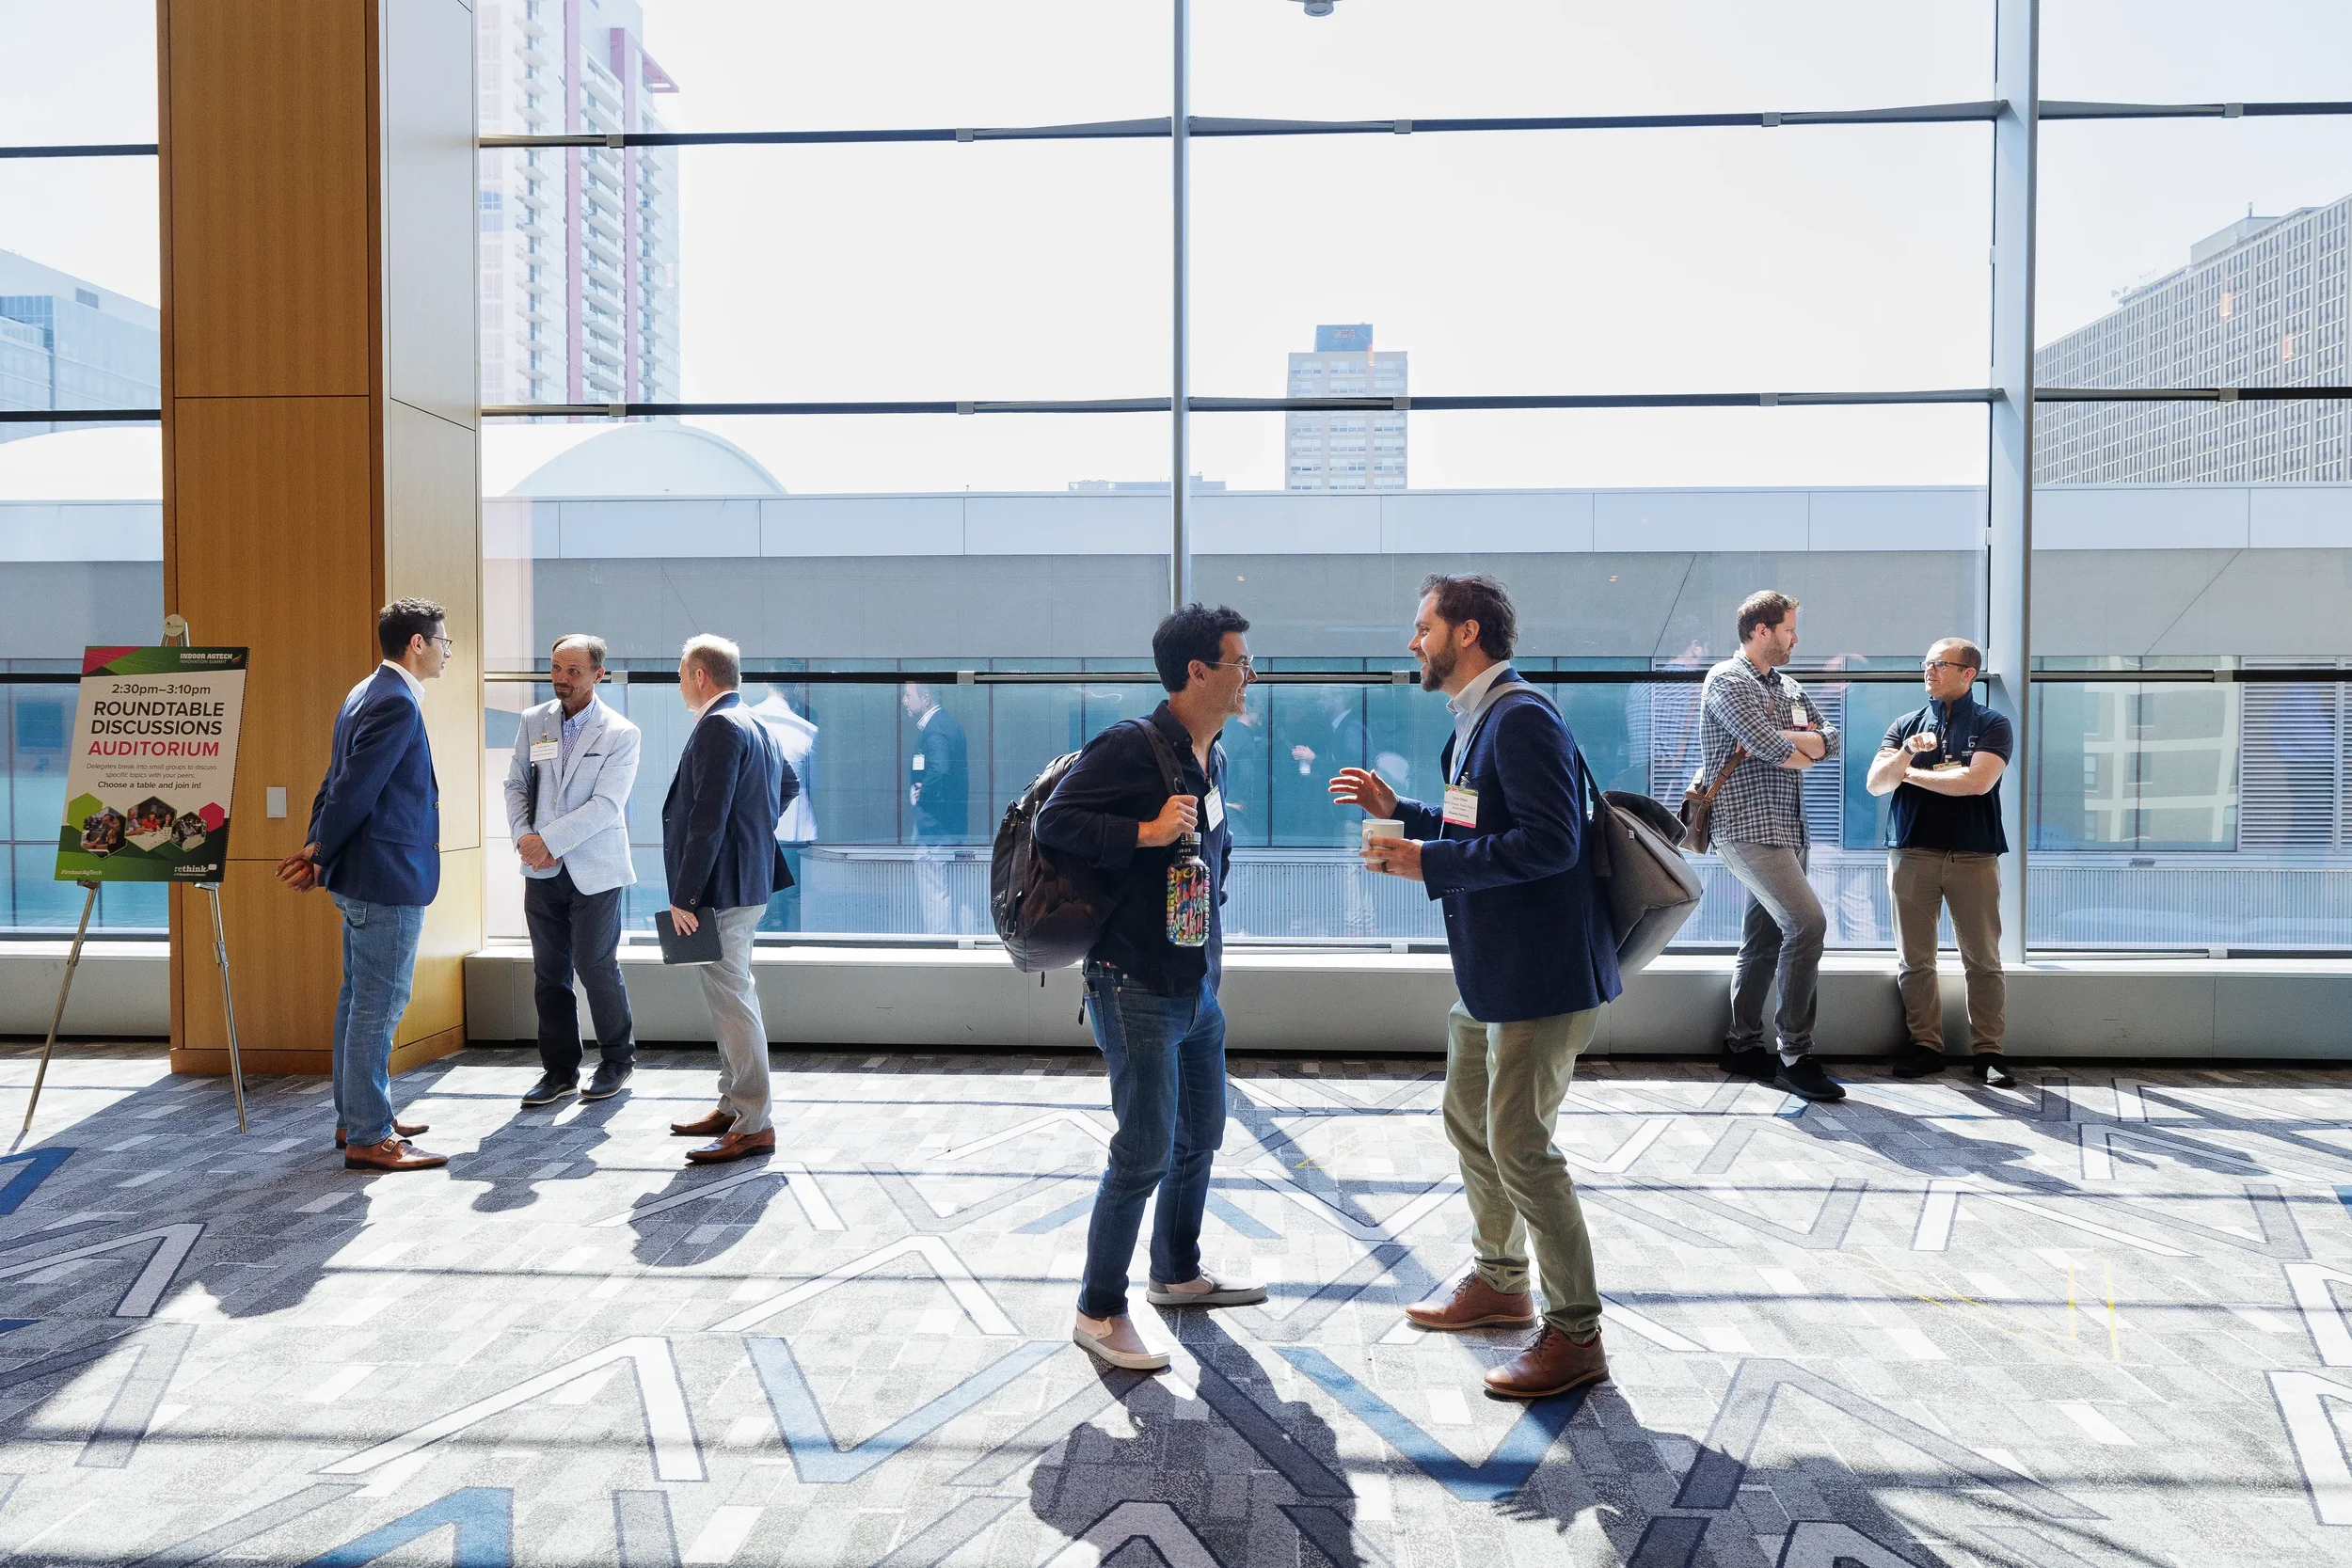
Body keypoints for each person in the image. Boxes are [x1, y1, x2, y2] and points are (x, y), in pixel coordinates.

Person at [1333, 574, 1622, 1401]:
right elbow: (1479, 825)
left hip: (1541, 972)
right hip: (1495, 968)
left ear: (1465, 632)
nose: (1411, 640)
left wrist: (1427, 859)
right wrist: (1412, 816)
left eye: (1421, 625)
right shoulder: (1478, 722)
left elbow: (1551, 844)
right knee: (1468, 1117)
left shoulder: (1522, 717)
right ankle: (1500, 1280)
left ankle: (1577, 1333)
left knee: (1522, 1145)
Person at [1035, 604, 1266, 1372]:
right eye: (1239, 662)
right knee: (1142, 1150)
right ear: (1196, 671)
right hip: (1133, 982)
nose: (1249, 676)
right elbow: (1054, 824)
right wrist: (1145, 834)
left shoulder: (1215, 756)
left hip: (1195, 980)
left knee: (1201, 1131)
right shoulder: (1132, 747)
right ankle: (1097, 1311)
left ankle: (1175, 1270)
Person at [275, 598, 452, 1172]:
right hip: (385, 876)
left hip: (363, 871)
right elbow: (353, 788)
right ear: (417, 644)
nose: (448, 650)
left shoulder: (364, 692)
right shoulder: (395, 702)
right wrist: (319, 850)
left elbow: (335, 781)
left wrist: (317, 849)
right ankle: (370, 1136)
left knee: (358, 1001)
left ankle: (358, 1115)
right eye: (443, 641)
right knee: (378, 1004)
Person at [1697, 590, 1846, 1103]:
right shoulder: (1726, 680)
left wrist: (1798, 744)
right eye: (1788, 629)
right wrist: (1798, 744)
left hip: (1789, 828)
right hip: (1744, 827)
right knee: (1808, 924)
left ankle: (1741, 1045)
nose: (1795, 638)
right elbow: (1770, 747)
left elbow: (1830, 739)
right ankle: (1795, 1054)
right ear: (1761, 630)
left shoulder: (1787, 684)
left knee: (1764, 940)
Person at [662, 635, 800, 1165]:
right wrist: (754, 835)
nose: (678, 682)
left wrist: (685, 893)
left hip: (719, 888)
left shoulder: (720, 724)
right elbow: (785, 787)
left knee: (732, 998)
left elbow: (706, 818)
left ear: (701, 675)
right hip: (744, 881)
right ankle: (733, 1104)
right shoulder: (755, 722)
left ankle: (752, 1121)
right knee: (730, 995)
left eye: (681, 673)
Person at [1866, 638, 2017, 1087]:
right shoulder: (1905, 725)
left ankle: (1989, 1053)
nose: (1929, 671)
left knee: (1984, 959)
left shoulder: (1994, 724)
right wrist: (1909, 752)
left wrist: (1907, 774)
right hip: (1912, 852)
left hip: (1974, 855)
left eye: (1940, 664)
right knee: (1915, 958)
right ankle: (1925, 1047)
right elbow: (1876, 783)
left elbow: (1976, 782)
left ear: (1969, 673)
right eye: (1926, 663)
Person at [504, 633, 644, 1109]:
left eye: (573, 672)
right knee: (550, 972)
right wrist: (523, 835)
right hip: (540, 868)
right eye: (556, 669)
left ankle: (617, 1059)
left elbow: (607, 805)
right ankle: (559, 1070)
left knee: (594, 964)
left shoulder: (621, 732)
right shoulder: (533, 721)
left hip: (595, 868)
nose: (561, 680)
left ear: (598, 675)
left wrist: (549, 841)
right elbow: (517, 783)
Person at [750, 684, 818, 932]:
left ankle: (763, 951)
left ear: (766, 684)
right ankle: (793, 952)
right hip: (796, 827)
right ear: (797, 687)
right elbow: (812, 783)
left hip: (756, 826)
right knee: (793, 897)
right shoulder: (807, 729)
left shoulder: (749, 720)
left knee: (760, 898)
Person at [903, 683, 970, 933]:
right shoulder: (951, 726)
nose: (904, 701)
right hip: (952, 827)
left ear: (927, 698)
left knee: (935, 895)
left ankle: (940, 950)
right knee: (958, 895)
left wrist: (923, 796)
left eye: (909, 696)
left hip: (934, 829)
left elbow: (940, 769)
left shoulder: (934, 731)